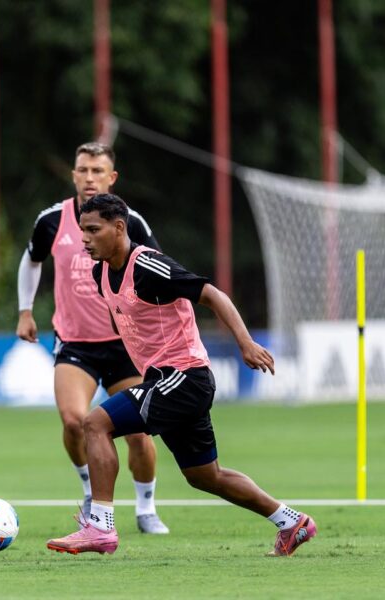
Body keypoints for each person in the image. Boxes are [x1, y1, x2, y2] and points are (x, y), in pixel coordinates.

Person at [45, 193, 317, 556]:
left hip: (184, 377)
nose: (86, 239)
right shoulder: (101, 273)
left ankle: (100, 526)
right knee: (206, 476)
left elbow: (212, 294)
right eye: (83, 231)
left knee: (95, 424)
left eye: (94, 230)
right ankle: (290, 521)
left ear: (119, 227)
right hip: (168, 381)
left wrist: (246, 343)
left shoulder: (149, 266)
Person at [17, 142, 169, 534]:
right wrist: (25, 310)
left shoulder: (130, 222)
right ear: (73, 174)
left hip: (127, 347)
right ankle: (89, 488)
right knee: (73, 421)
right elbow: (31, 259)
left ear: (112, 178)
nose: (89, 178)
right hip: (75, 343)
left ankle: (147, 507)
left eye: (97, 171)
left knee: (138, 434)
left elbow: (157, 269)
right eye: (83, 170)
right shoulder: (52, 220)